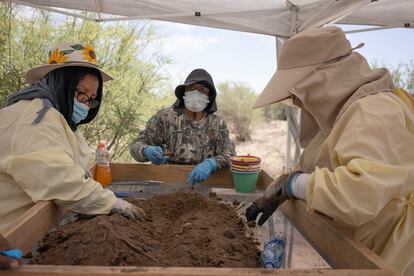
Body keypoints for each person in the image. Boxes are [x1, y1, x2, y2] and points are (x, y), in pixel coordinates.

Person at [245, 26, 414, 275]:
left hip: (391, 256)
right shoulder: (344, 114)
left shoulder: (374, 111)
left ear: (323, 79)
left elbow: (356, 194)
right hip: (361, 250)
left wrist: (292, 184)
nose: (297, 101)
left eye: (297, 92)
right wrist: (288, 181)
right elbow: (317, 163)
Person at [0, 43, 146, 232]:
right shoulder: (34, 118)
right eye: (81, 93)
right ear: (62, 83)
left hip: (31, 226)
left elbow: (76, 169)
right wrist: (111, 203)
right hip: (11, 233)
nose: (86, 104)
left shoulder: (58, 118)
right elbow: (59, 178)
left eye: (91, 98)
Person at [130, 69, 236, 185]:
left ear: (209, 95)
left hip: (204, 185)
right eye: (191, 88)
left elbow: (230, 155)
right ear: (184, 92)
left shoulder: (217, 123)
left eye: (202, 89)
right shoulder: (165, 118)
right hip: (165, 184)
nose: (196, 93)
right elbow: (136, 146)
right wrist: (146, 151)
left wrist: (211, 163)